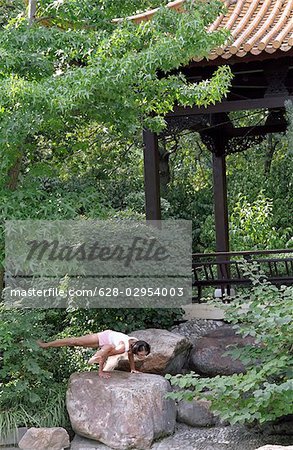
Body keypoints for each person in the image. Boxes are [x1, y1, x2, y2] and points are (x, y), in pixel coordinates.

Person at [37, 329, 151, 379]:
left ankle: (97, 355)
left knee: (76, 343)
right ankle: (45, 345)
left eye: (144, 354)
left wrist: (132, 369)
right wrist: (100, 371)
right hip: (103, 338)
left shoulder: (133, 342)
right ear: (137, 348)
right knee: (74, 341)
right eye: (142, 354)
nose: (143, 356)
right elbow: (107, 351)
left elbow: (130, 354)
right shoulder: (123, 347)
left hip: (107, 342)